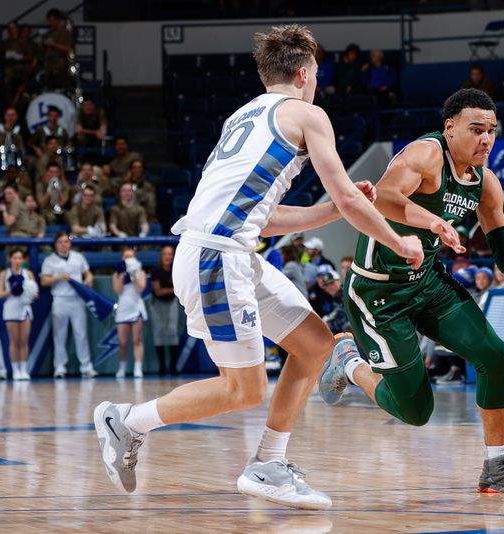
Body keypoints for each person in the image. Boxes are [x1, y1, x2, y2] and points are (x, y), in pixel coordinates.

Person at [93, 24, 423, 510]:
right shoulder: (308, 114)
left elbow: (261, 217)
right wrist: (397, 239)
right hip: (215, 258)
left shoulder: (241, 117)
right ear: (306, 73)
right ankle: (127, 420)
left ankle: (269, 463)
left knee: (313, 346)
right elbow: (349, 196)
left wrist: (332, 209)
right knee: (244, 388)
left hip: (231, 252)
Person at [317, 88, 504, 494]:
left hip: (428, 282)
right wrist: (431, 221)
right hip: (379, 293)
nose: (486, 139)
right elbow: (384, 200)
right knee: (415, 411)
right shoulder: (426, 155)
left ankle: (498, 466)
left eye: (491, 131)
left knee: (495, 356)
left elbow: (503, 246)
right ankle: (347, 360)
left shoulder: (485, 182)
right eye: (476, 129)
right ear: (450, 128)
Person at [40, 232, 98, 378]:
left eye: (66, 241)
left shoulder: (78, 257)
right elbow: (44, 281)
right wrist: (59, 277)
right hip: (60, 300)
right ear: (56, 244)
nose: (64, 244)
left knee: (81, 334)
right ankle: (59, 367)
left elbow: (88, 273)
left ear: (70, 243)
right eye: (60, 242)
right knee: (59, 335)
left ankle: (86, 366)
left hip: (77, 299)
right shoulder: (49, 260)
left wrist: (89, 280)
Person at [0, 248, 36, 380]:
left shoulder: (28, 273)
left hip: (24, 308)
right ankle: (15, 370)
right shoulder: (4, 273)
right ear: (10, 259)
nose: (17, 261)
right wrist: (12, 290)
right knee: (14, 341)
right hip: (11, 308)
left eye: (20, 258)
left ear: (24, 260)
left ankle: (24, 369)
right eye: (15, 258)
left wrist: (27, 291)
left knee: (23, 341)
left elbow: (35, 294)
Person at [113, 247, 148, 379]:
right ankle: (122, 367)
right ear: (122, 259)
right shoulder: (117, 273)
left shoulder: (140, 272)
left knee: (137, 339)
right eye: (126, 256)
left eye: (131, 256)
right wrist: (122, 274)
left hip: (136, 308)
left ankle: (138, 368)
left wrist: (133, 274)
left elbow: (141, 288)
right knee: (122, 342)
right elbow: (117, 290)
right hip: (123, 309)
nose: (129, 259)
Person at [150, 245, 180, 375]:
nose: (168, 257)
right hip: (157, 303)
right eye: (165, 254)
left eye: (170, 254)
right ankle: (162, 367)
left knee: (173, 331)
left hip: (172, 302)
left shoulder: (177, 269)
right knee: (159, 332)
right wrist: (174, 290)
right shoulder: (156, 270)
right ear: (161, 256)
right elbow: (158, 291)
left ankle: (173, 367)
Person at [43, 8, 73, 90]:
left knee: (60, 88)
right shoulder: (51, 32)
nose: (51, 23)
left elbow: (68, 49)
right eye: (50, 21)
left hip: (60, 66)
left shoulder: (65, 32)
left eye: (52, 20)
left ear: (58, 19)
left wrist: (53, 44)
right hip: (50, 65)